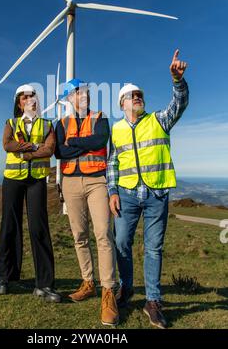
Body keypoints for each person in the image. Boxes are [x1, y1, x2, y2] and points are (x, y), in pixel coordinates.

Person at [108, 50, 189, 329]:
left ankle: (152, 301)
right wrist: (112, 192)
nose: (138, 97)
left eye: (140, 94)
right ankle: (126, 287)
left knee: (154, 248)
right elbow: (112, 163)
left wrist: (177, 80)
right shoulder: (115, 130)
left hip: (156, 194)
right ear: (122, 103)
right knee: (121, 243)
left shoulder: (159, 120)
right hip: (126, 194)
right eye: (132, 95)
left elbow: (178, 105)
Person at [55, 78, 119, 326]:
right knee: (79, 235)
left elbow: (100, 141)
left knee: (103, 234)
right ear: (70, 98)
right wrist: (80, 145)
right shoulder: (60, 122)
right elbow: (59, 152)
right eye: (79, 93)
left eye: (86, 92)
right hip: (70, 183)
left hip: (97, 182)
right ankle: (88, 282)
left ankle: (108, 290)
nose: (84, 96)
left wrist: (73, 143)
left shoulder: (100, 117)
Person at [0, 84, 61, 303]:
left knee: (38, 227)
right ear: (18, 102)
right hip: (12, 180)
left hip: (37, 181)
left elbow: (49, 149)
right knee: (9, 226)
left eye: (32, 96)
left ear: (37, 101)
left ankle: (45, 284)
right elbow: (7, 144)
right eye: (24, 97)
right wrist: (34, 146)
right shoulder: (10, 123)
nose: (28, 100)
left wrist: (25, 152)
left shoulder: (47, 124)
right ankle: (5, 278)